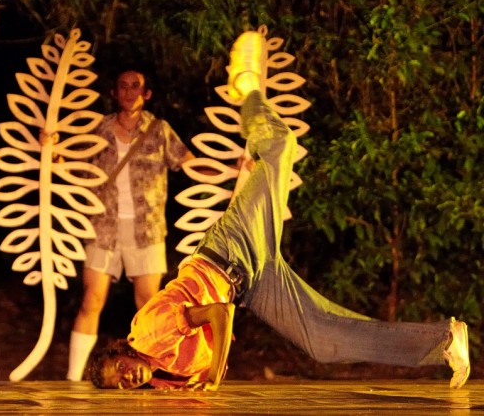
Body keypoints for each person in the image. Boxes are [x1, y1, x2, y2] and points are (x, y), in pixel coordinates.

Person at [87, 31, 471, 390]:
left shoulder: (149, 331)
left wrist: (215, 370)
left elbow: (219, 314)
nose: (128, 376)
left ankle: (248, 86)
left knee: (279, 146)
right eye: (121, 382)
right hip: (251, 282)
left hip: (227, 252)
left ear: (122, 349)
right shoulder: (161, 378)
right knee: (322, 342)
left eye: (120, 367)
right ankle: (445, 339)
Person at [66, 66, 196, 381]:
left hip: (146, 229)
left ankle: (150, 375)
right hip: (103, 226)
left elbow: (190, 163)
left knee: (149, 306)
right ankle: (72, 379)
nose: (129, 91)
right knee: (91, 300)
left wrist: (233, 169)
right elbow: (69, 162)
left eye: (135, 86)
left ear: (146, 93)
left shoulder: (159, 130)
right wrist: (48, 145)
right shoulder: (98, 130)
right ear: (114, 92)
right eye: (122, 86)